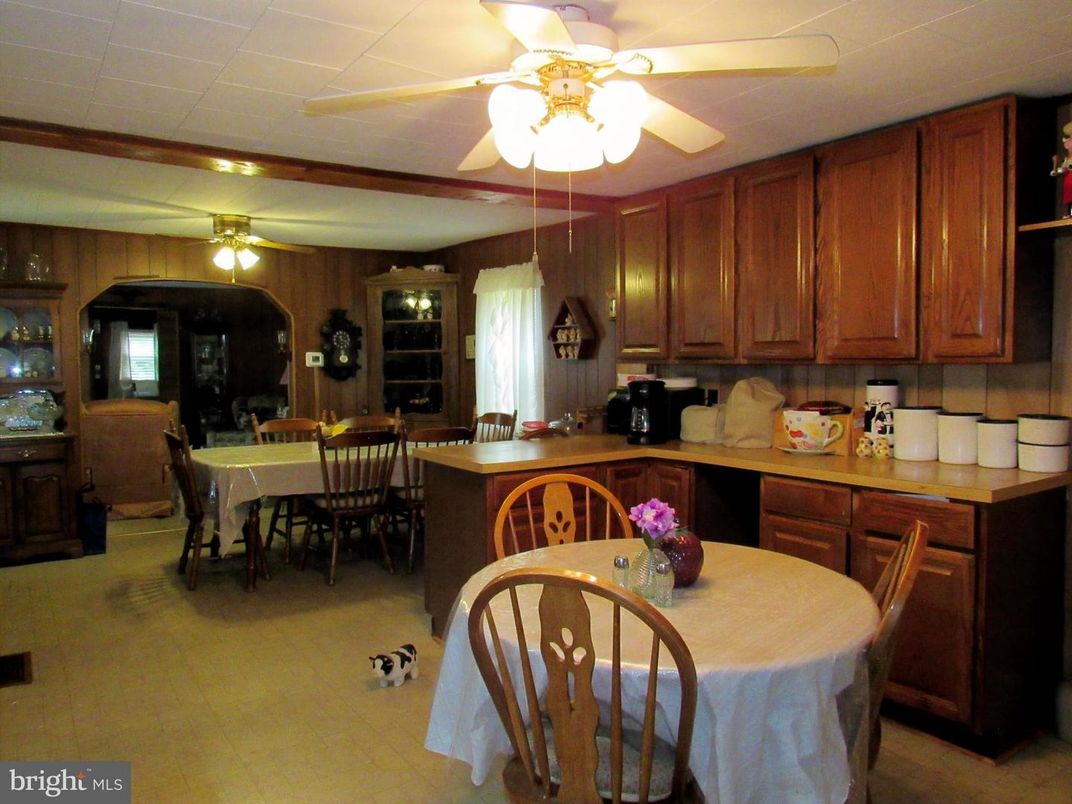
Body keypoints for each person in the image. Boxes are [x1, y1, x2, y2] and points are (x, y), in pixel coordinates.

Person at [1050, 122, 1072, 218]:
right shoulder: (1066, 158)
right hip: (1069, 179)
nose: (1066, 144)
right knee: (1070, 197)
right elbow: (1063, 169)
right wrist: (1056, 170)